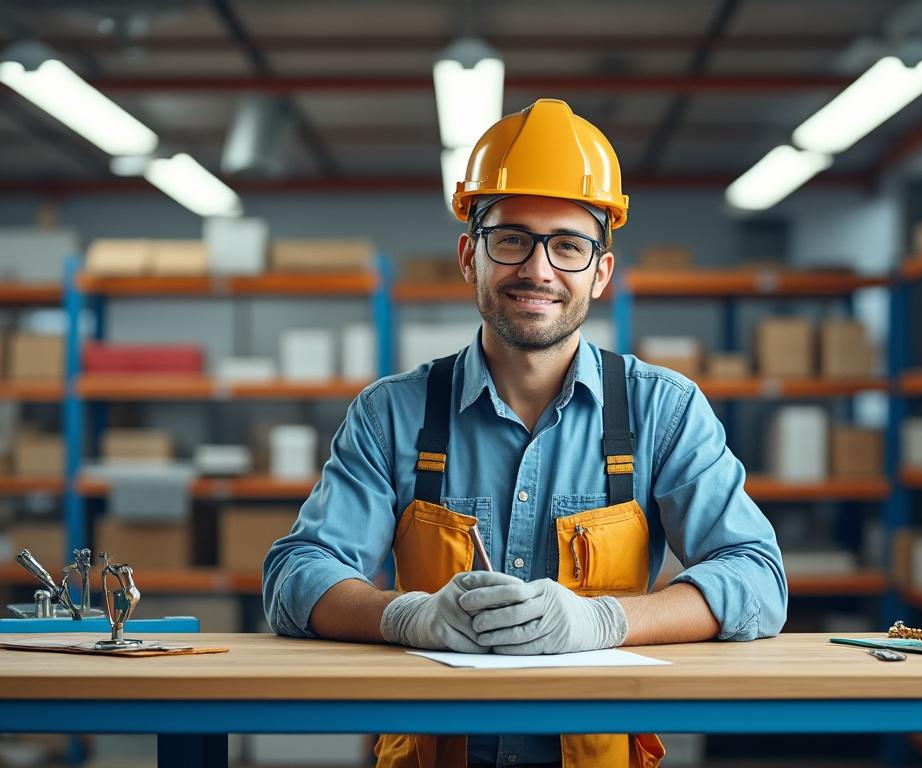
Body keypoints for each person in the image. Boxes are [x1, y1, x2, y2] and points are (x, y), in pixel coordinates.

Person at [264, 98, 787, 768]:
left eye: (569, 245)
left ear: (600, 272)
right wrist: (409, 618)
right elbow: (295, 577)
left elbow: (757, 578)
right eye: (511, 238)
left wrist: (605, 621)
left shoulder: (664, 410)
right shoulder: (392, 414)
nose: (538, 270)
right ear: (469, 256)